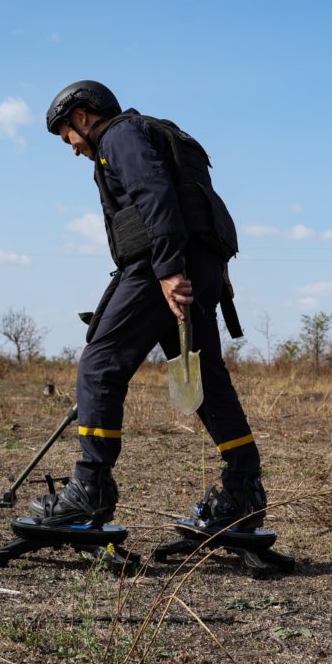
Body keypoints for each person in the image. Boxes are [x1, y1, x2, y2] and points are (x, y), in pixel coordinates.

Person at [30, 80, 266, 530]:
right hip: (201, 267)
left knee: (100, 364)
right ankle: (244, 490)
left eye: (68, 137)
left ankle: (89, 490)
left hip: (161, 267)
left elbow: (154, 193)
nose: (73, 149)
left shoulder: (120, 136)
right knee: (204, 378)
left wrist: (168, 269)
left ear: (81, 117)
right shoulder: (153, 133)